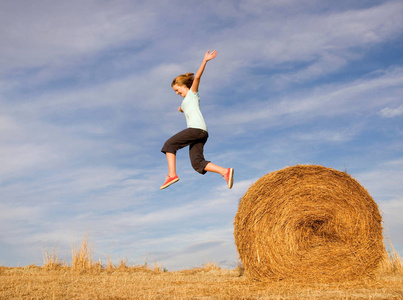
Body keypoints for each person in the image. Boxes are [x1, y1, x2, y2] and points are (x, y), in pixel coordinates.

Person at [160, 50, 234, 190]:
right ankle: (225, 171)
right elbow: (184, 107)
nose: (177, 93)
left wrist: (205, 61)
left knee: (169, 145)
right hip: (200, 134)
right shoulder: (185, 102)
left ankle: (172, 175)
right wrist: (181, 109)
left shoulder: (192, 94)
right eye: (175, 92)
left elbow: (197, 78)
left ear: (184, 86)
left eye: (177, 90)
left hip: (196, 129)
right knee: (197, 163)